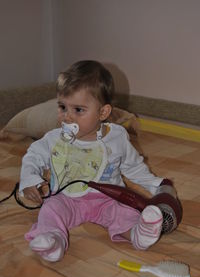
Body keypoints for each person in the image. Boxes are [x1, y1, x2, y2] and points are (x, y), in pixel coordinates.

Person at [19, 60, 174, 262]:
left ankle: (138, 233)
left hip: (106, 197)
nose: (67, 117)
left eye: (78, 110)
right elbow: (33, 156)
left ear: (103, 113)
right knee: (50, 210)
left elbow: (133, 166)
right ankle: (53, 240)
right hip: (67, 198)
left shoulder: (116, 138)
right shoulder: (54, 139)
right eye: (62, 107)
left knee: (124, 210)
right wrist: (30, 180)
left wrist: (155, 185)